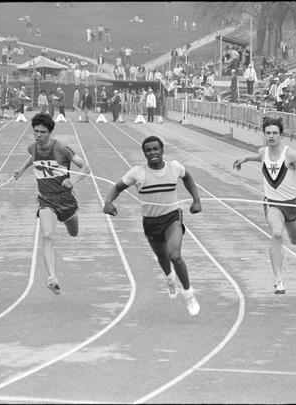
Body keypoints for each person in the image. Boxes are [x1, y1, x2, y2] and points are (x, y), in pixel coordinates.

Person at [103, 135, 202, 316]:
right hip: (151, 222)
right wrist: (108, 202)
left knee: (174, 255)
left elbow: (187, 177)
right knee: (162, 256)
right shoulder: (137, 173)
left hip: (172, 218)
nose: (152, 152)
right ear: (144, 154)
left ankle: (189, 295)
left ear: (162, 150)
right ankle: (170, 278)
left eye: (156, 149)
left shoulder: (174, 167)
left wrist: (196, 200)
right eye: (148, 150)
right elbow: (117, 187)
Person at [233, 117, 296, 294]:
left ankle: (286, 248)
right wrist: (245, 159)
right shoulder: (263, 151)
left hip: (292, 205)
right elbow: (260, 157)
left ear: (281, 135)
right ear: (264, 134)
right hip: (272, 204)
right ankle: (278, 279)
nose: (271, 136)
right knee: (277, 233)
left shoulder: (290, 154)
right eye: (268, 133)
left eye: (275, 133)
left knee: (295, 240)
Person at [12, 113, 90, 294]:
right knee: (47, 235)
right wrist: (21, 169)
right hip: (46, 199)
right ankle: (52, 277)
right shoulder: (32, 147)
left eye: (42, 132)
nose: (38, 135)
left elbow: (85, 167)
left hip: (66, 200)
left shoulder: (61, 149)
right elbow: (33, 157)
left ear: (50, 132)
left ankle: (72, 216)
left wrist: (73, 181)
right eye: (36, 131)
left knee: (73, 232)